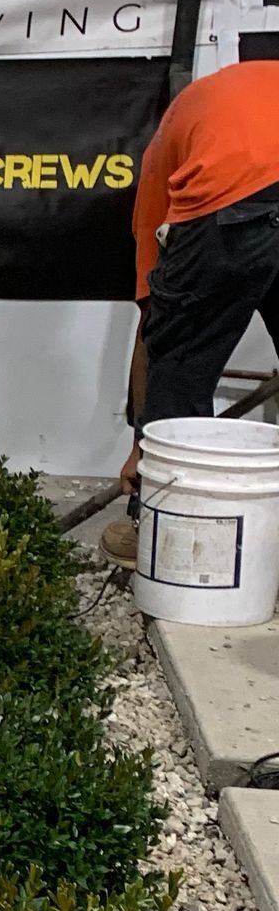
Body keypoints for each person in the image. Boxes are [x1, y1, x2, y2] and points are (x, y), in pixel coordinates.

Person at [108, 57, 279, 567]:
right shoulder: (250, 88)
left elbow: (155, 324)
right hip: (245, 184)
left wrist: (144, 445)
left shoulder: (160, 156)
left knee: (180, 364)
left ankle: (162, 538)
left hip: (232, 197)